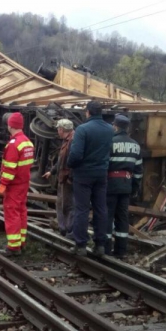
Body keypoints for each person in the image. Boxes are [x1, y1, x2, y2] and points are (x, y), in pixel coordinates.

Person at [67, 101, 113, 256]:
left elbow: (75, 154)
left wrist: (70, 165)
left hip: (83, 175)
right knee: (101, 208)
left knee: (82, 209)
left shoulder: (82, 129)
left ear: (88, 112)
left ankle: (80, 245)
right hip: (101, 174)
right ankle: (100, 245)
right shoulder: (109, 129)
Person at [106, 114, 143, 257]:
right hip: (126, 186)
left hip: (110, 185)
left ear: (115, 126)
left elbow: (104, 165)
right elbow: (139, 171)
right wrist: (134, 188)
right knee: (122, 218)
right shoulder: (135, 145)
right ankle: (121, 251)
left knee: (107, 216)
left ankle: (106, 249)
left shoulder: (111, 142)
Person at [0, 112, 34, 254]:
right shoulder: (28, 142)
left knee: (12, 213)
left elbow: (10, 168)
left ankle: (13, 246)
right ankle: (21, 241)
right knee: (21, 212)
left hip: (14, 185)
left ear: (10, 125)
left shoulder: (14, 144)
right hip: (24, 184)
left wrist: (3, 184)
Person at [42, 119, 75, 237]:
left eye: (58, 129)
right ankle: (64, 229)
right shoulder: (67, 141)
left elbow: (73, 161)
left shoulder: (72, 141)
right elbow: (61, 160)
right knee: (61, 204)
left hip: (67, 180)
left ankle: (68, 230)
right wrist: (52, 172)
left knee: (67, 205)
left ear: (62, 129)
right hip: (64, 178)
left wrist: (70, 177)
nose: (57, 131)